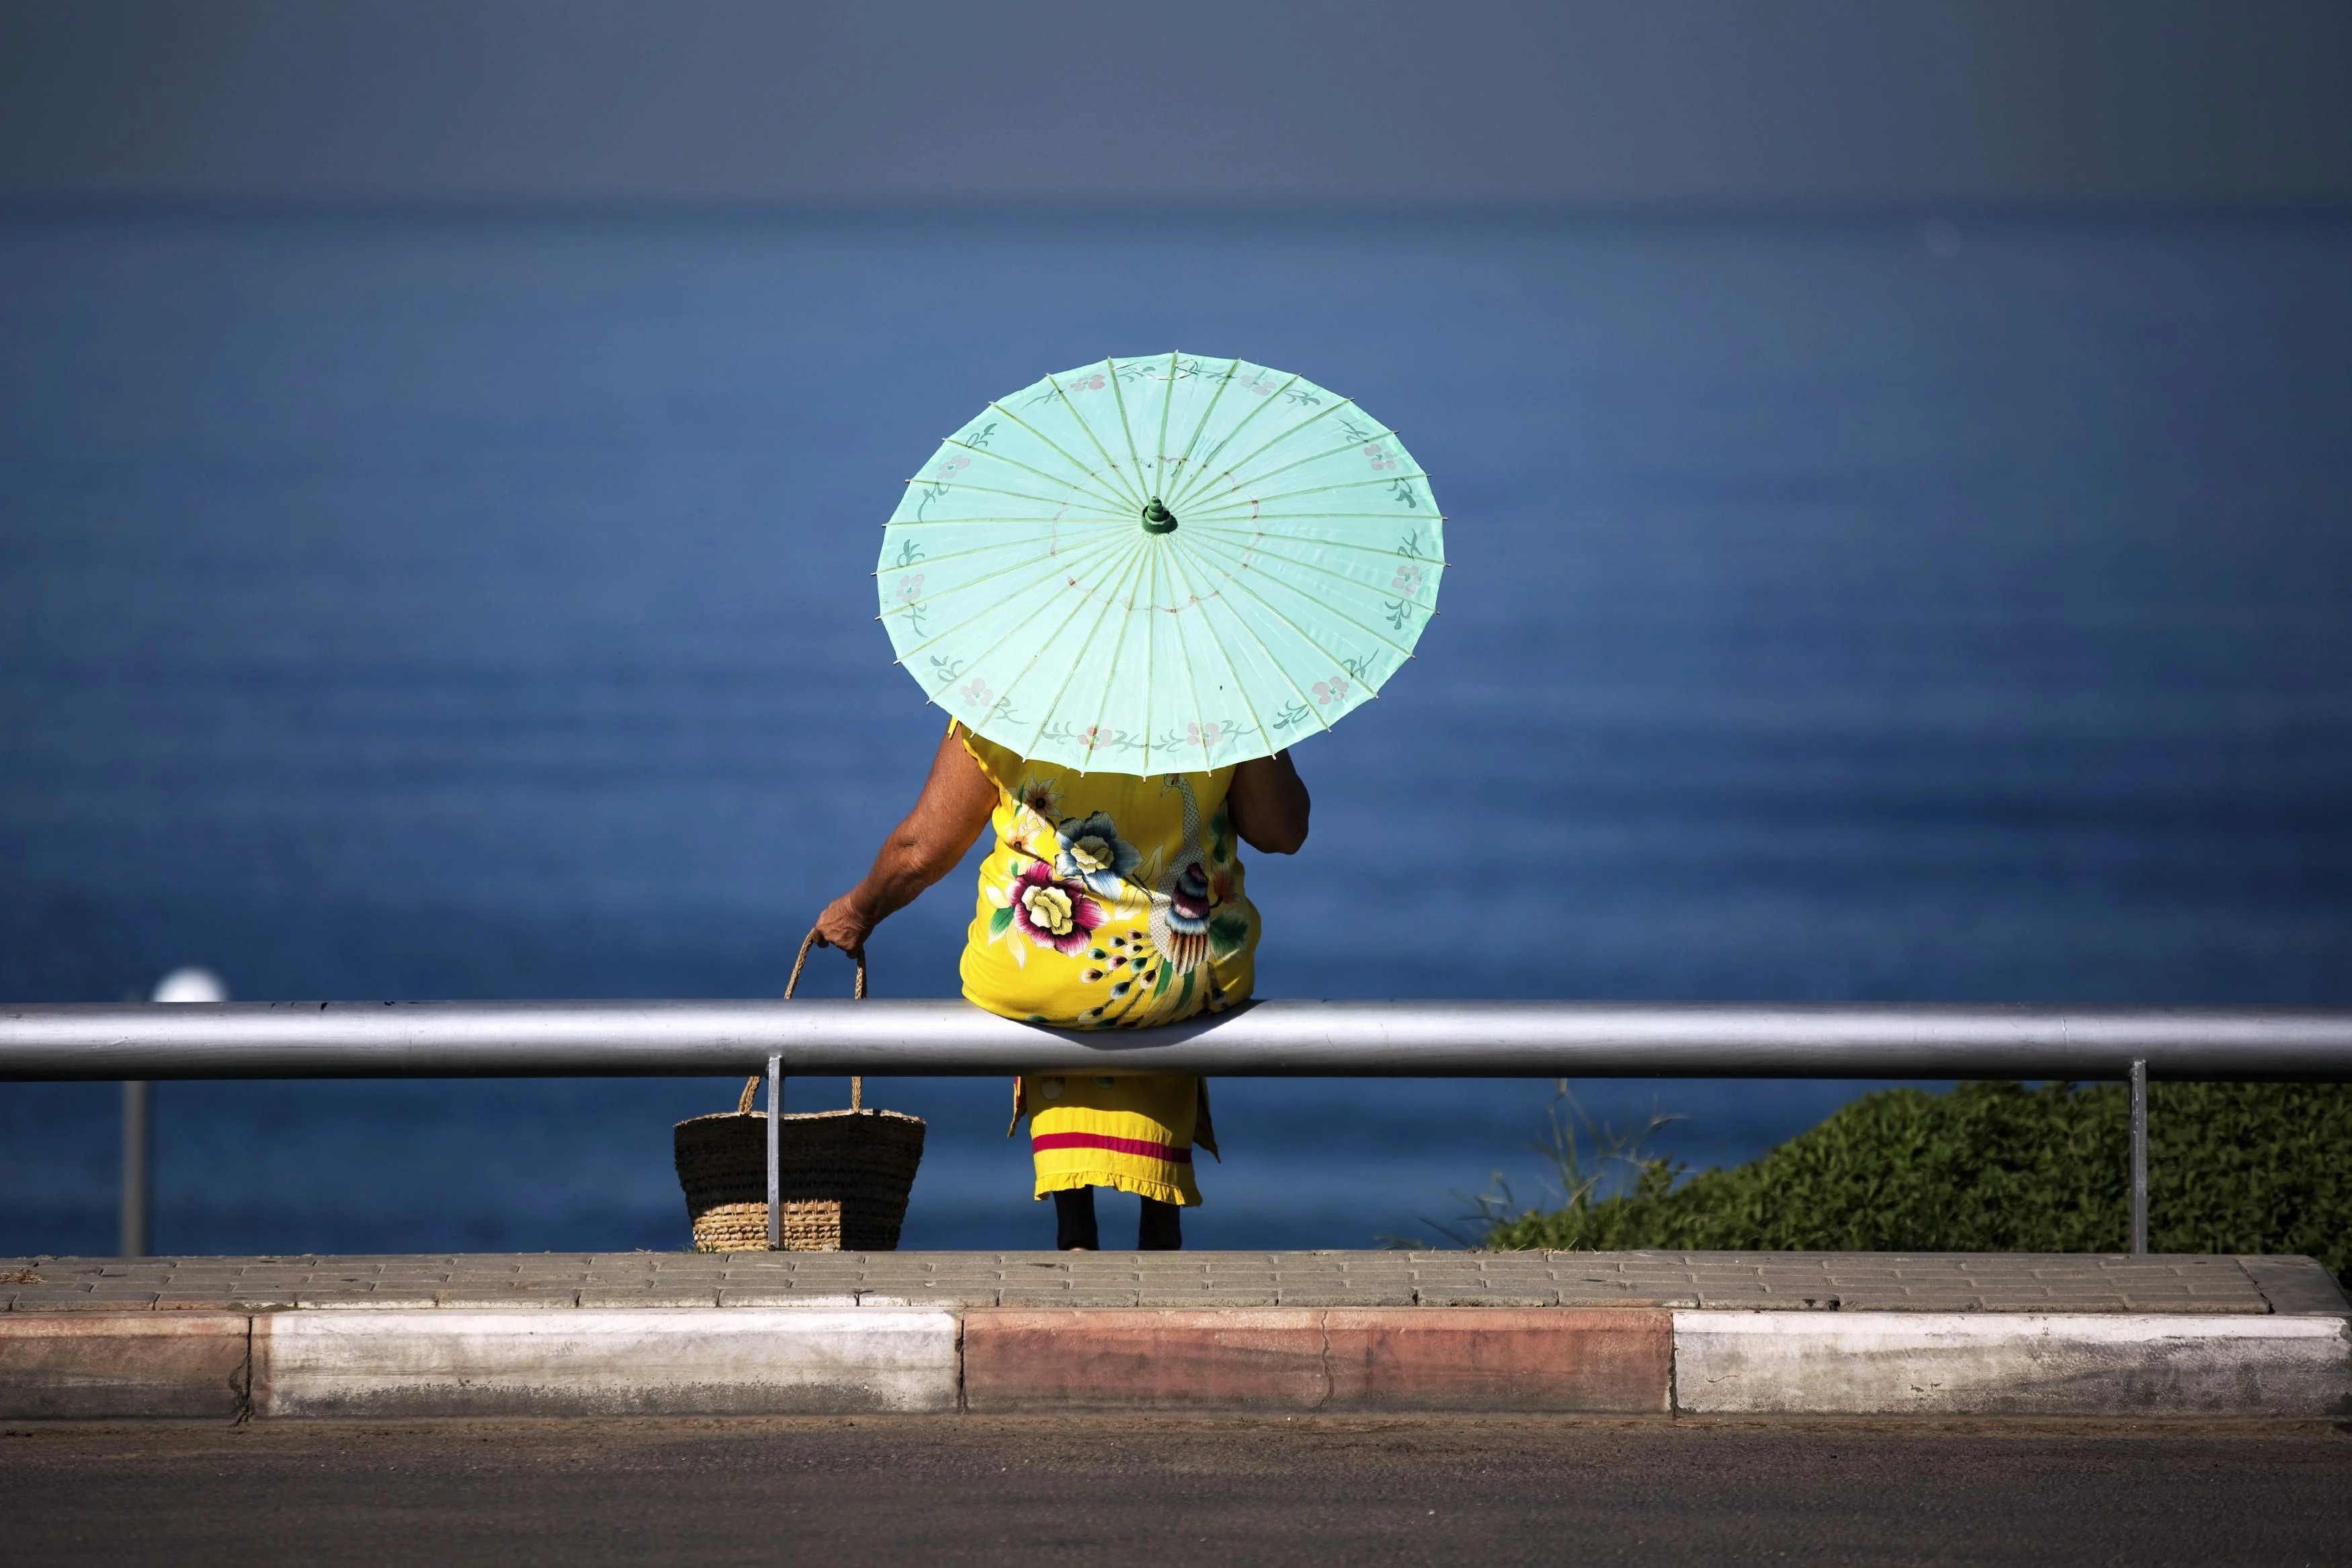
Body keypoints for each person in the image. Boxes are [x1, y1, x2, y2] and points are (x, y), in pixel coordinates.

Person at [814, 721, 1310, 1250]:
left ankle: (1075, 1224)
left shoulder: (1007, 699)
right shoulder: (1212, 703)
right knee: (1168, 972)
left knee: (1060, 975)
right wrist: (1252, 730)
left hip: (1040, 967)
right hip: (1181, 975)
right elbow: (1283, 833)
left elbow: (921, 849)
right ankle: (1160, 1219)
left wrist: (857, 912)